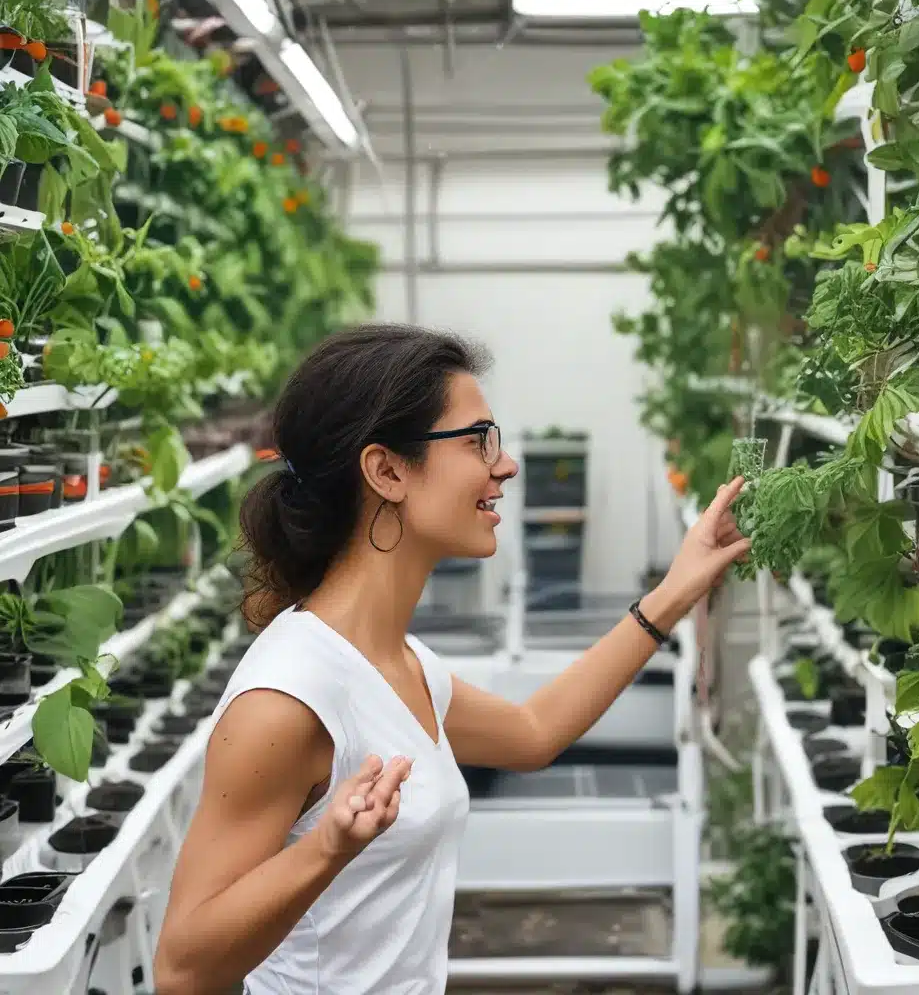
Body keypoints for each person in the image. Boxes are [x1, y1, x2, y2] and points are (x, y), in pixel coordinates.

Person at [153, 323, 750, 995]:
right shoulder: (287, 699)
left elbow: (532, 733)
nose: (506, 464)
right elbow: (182, 968)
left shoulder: (398, 661)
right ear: (386, 470)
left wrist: (675, 591)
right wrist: (327, 849)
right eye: (477, 441)